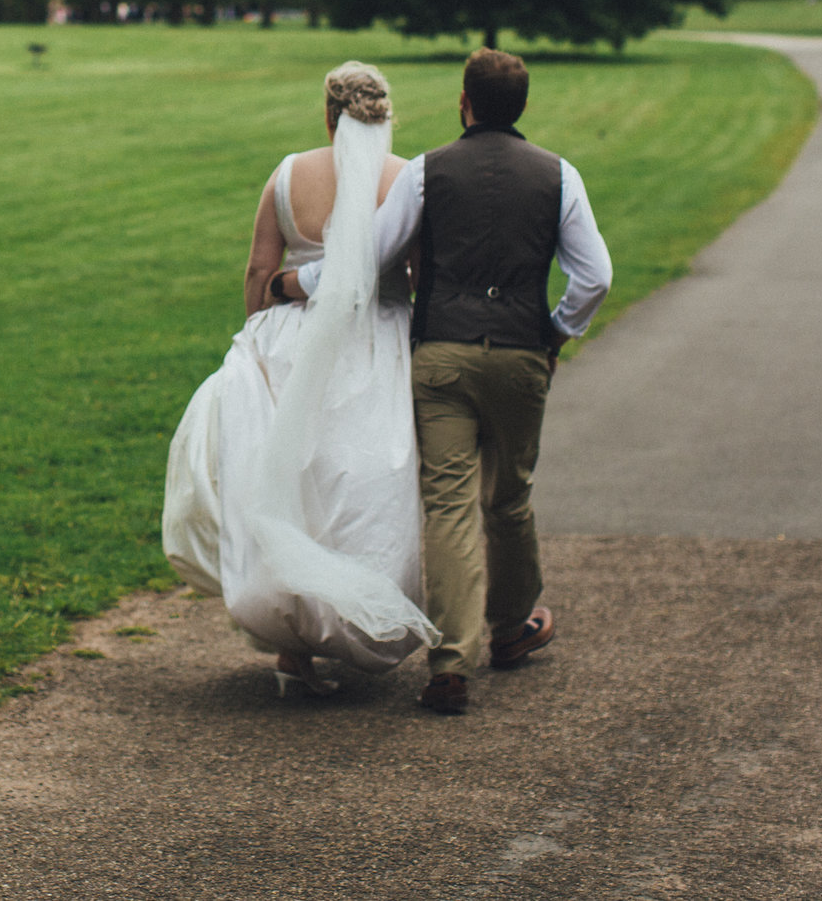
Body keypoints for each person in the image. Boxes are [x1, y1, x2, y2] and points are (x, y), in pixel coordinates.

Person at [286, 47, 610, 714]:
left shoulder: (429, 171)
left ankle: (451, 662)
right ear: (520, 107)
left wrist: (296, 283)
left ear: (465, 102)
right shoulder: (559, 174)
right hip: (521, 353)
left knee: (449, 501)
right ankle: (512, 627)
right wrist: (555, 330)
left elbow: (366, 254)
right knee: (510, 495)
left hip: (442, 354)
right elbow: (595, 275)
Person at [161, 62, 437, 695]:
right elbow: (420, 277)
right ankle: (352, 626)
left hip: (291, 340)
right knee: (363, 488)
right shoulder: (405, 180)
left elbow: (260, 272)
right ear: (386, 116)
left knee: (295, 486)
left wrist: (258, 340)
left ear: (327, 113)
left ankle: (294, 652)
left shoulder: (286, 176)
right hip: (376, 345)